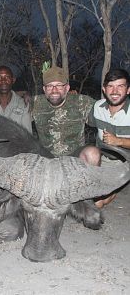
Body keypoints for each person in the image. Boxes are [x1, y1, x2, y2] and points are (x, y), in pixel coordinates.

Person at [31, 66, 110, 207]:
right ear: (44, 89)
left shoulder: (81, 102)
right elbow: (14, 107)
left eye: (59, 86)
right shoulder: (35, 103)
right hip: (45, 160)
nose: (54, 90)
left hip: (74, 160)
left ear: (67, 88)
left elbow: (108, 111)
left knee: (93, 153)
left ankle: (88, 196)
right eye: (49, 86)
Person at [88, 68, 130, 208]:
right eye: (110, 86)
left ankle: (116, 185)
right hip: (102, 159)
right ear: (104, 90)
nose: (115, 91)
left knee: (98, 203)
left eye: (120, 86)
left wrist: (119, 141)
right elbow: (85, 121)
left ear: (128, 90)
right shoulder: (97, 107)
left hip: (124, 162)